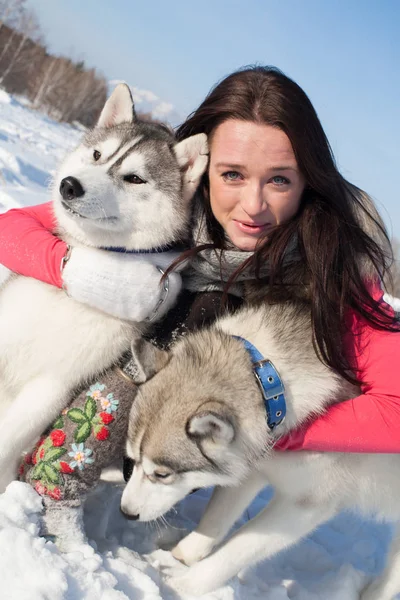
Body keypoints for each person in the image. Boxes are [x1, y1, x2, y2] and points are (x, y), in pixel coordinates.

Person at [0, 64, 399, 461]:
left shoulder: (334, 269)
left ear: (307, 182)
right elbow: (12, 228)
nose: (253, 204)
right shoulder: (171, 207)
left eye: (279, 179)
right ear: (202, 171)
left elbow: (396, 413)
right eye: (233, 174)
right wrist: (71, 270)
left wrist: (259, 429)